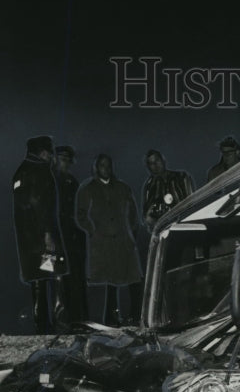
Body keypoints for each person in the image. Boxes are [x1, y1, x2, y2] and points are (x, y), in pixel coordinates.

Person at [75, 153, 143, 326]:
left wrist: (131, 234)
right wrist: (92, 230)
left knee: (132, 279)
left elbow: (134, 214)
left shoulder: (122, 187)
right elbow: (80, 215)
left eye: (108, 165)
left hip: (124, 242)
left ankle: (135, 316)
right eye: (102, 165)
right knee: (108, 283)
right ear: (96, 168)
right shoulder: (87, 188)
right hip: (102, 244)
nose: (106, 169)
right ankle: (110, 320)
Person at [12, 135, 68, 334]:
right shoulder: (40, 171)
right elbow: (40, 204)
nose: (51, 156)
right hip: (43, 237)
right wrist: (47, 234)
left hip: (28, 241)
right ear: (43, 152)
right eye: (49, 151)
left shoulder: (21, 171)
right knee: (56, 275)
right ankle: (60, 324)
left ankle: (42, 325)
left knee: (38, 279)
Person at [53, 145, 89, 325]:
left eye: (68, 160)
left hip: (72, 236)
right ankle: (60, 319)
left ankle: (77, 318)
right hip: (55, 235)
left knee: (75, 277)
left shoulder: (72, 182)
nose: (65, 163)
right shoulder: (49, 180)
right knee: (57, 279)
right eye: (62, 159)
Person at [142, 149, 194, 231]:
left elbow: (192, 203)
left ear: (163, 160)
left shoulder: (181, 177)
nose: (155, 165)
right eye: (151, 163)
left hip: (183, 226)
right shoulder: (150, 185)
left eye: (157, 160)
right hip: (162, 231)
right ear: (148, 167)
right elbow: (146, 216)